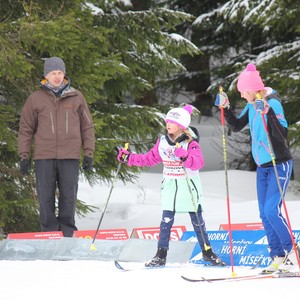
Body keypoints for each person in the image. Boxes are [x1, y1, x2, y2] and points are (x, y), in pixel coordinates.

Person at [117, 105, 226, 267]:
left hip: (188, 185)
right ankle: (161, 254)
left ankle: (207, 252)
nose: (168, 125)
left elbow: (198, 163)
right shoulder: (162, 142)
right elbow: (149, 159)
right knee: (166, 220)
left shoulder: (191, 143)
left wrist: (185, 157)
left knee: (197, 220)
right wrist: (129, 158)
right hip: (170, 185)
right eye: (167, 121)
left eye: (173, 123)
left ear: (181, 126)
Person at [215, 63, 299, 273]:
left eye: (244, 92)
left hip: (278, 163)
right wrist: (225, 108)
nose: (243, 96)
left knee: (272, 210)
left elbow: (282, 135)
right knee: (264, 213)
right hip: (262, 167)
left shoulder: (273, 104)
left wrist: (268, 113)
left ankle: (293, 253)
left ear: (253, 90)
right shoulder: (252, 105)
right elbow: (236, 126)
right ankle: (278, 255)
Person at [18, 56, 95, 237]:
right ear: (46, 75)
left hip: (70, 156)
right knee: (45, 198)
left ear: (64, 74)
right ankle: (49, 234)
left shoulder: (76, 97)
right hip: (44, 156)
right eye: (53, 73)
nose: (57, 76)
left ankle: (67, 234)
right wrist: (23, 155)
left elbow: (87, 126)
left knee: (69, 197)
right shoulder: (35, 99)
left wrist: (89, 153)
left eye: (60, 72)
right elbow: (25, 129)